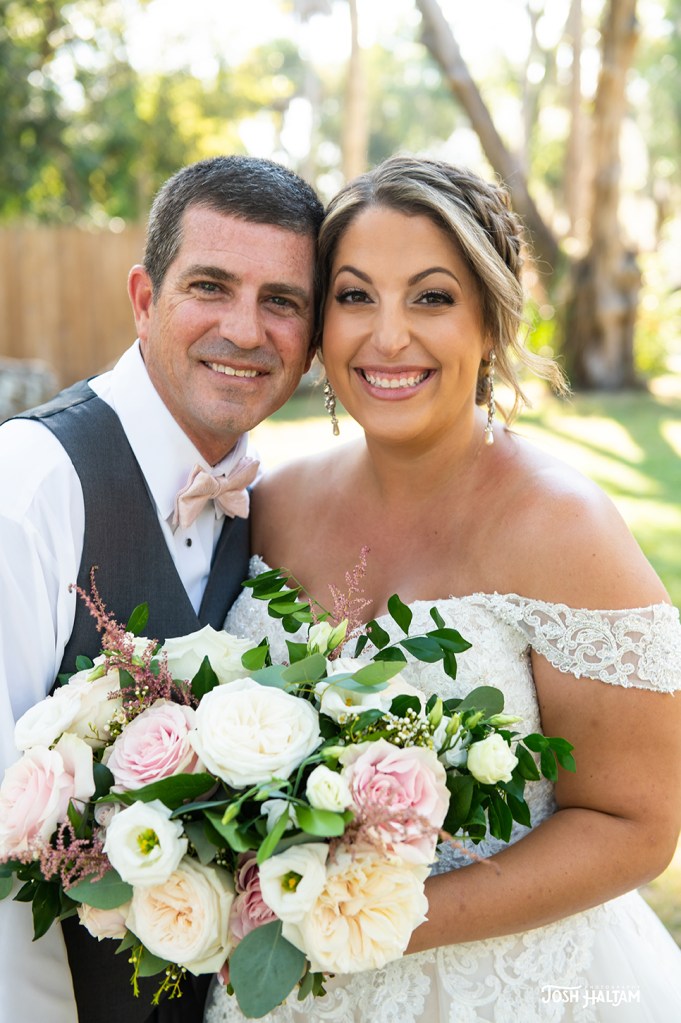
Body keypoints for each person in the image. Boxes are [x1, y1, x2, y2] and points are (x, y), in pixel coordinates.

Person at [205, 155, 681, 1022]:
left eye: (430, 297)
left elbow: (635, 825)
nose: (388, 337)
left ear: (490, 323)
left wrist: (364, 922)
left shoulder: (563, 530)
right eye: (355, 296)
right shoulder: (270, 504)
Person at [0, 155, 323, 1023]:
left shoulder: (266, 503)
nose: (245, 330)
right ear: (144, 299)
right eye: (210, 286)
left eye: (282, 301)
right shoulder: (31, 484)